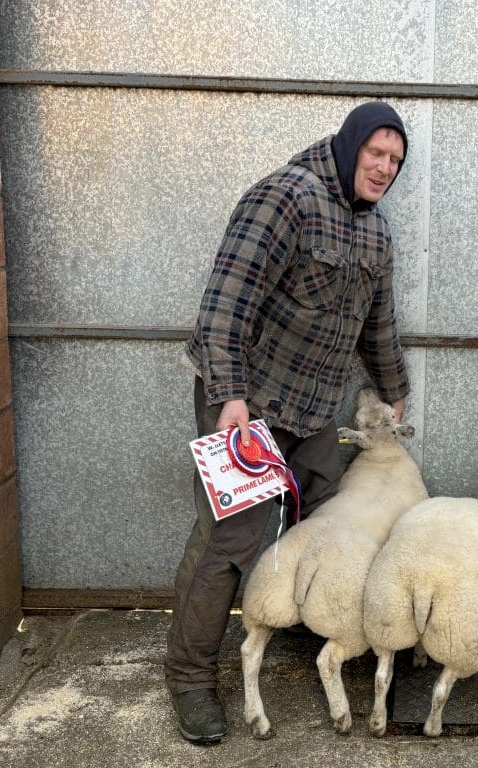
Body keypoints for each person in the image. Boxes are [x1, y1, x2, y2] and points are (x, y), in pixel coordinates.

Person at [166, 102, 411, 744]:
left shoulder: (376, 232)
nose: (384, 167)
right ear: (350, 146)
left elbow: (377, 325)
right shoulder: (286, 198)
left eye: (394, 159)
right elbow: (224, 305)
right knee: (230, 540)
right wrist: (229, 396)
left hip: (314, 408)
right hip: (249, 402)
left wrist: (394, 390)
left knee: (330, 516)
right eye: (375, 154)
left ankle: (314, 632)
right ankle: (190, 677)